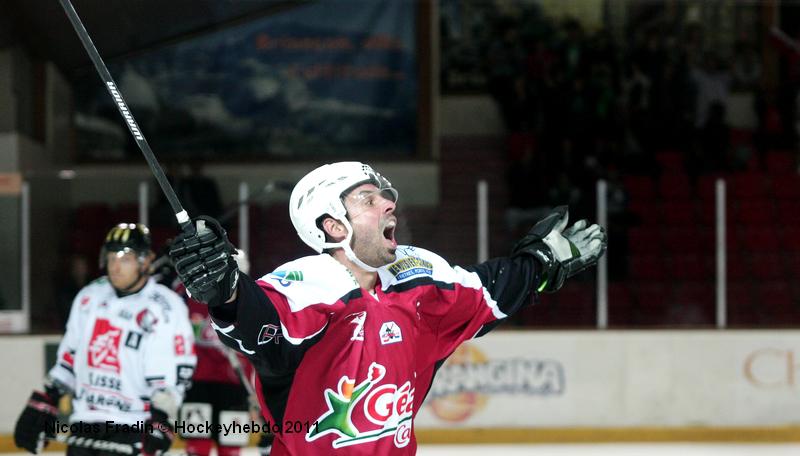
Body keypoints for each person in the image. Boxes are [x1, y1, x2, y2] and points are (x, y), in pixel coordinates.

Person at [168, 162, 606, 455]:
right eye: (367, 199)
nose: (388, 203)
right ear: (333, 226)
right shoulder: (307, 285)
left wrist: (541, 263)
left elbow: (489, 290)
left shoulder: (421, 282)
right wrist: (224, 290)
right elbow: (261, 322)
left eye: (384, 196)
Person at [14, 223, 197, 456]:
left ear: (145, 261)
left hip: (134, 425)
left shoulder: (166, 307)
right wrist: (49, 398)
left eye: (125, 259)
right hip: (85, 421)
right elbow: (70, 356)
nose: (115, 267)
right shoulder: (90, 296)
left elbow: (178, 371)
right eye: (111, 258)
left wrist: (162, 417)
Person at [175, 249, 272, 456]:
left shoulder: (253, 302)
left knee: (230, 446)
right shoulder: (193, 295)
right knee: (196, 445)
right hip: (197, 383)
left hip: (234, 387)